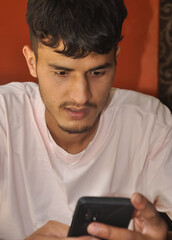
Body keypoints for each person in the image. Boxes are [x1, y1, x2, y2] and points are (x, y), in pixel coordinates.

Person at [0, 0, 172, 239]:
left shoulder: (152, 125)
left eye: (97, 72)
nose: (81, 96)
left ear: (116, 59)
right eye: (62, 72)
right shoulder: (4, 117)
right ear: (32, 62)